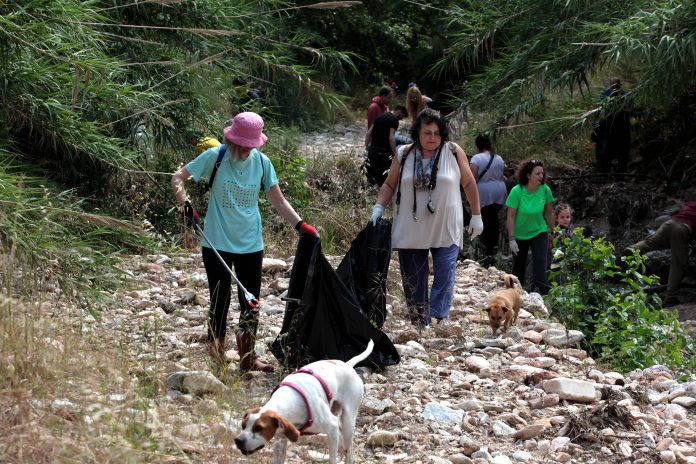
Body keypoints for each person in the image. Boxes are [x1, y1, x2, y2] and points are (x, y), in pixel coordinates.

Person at [172, 112, 318, 371]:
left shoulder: (262, 164)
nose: (246, 150)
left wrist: (300, 225)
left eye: (250, 145)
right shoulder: (214, 157)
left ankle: (248, 358)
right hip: (216, 241)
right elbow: (178, 178)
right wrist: (185, 204)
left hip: (251, 243)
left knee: (251, 302)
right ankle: (217, 357)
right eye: (242, 145)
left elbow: (278, 200)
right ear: (231, 140)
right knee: (220, 300)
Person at [369, 108, 483, 326]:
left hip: (446, 224)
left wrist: (476, 215)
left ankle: (439, 317)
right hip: (411, 226)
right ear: (417, 133)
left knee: (445, 272)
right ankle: (420, 321)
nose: (433, 138)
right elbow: (390, 184)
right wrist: (378, 207)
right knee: (413, 277)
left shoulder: (453, 151)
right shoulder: (404, 153)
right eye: (427, 133)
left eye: (437, 133)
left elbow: (468, 183)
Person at [626, 201, 696, 306]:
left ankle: (624, 255)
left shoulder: (692, 204)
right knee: (678, 263)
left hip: (669, 223)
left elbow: (677, 210)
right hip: (681, 230)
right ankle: (670, 297)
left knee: (649, 243)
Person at [506, 159, 555, 294]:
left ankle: (540, 295)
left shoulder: (545, 190)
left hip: (539, 231)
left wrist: (555, 232)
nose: (541, 176)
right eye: (537, 174)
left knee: (540, 262)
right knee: (519, 266)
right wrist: (511, 238)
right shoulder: (517, 191)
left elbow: (549, 212)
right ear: (528, 175)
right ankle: (514, 294)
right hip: (520, 234)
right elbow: (510, 216)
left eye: (542, 173)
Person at [469, 134, 507, 262]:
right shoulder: (499, 158)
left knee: (485, 218)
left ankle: (487, 249)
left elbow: (471, 178)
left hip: (484, 192)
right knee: (494, 219)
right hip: (500, 190)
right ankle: (495, 246)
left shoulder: (476, 159)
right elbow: (502, 175)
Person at [592, 78, 632, 172]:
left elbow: (629, 109)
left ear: (620, 86)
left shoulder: (625, 94)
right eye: (613, 86)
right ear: (610, 85)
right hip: (606, 126)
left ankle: (621, 172)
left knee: (623, 151)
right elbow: (597, 110)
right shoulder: (605, 94)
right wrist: (595, 125)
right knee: (604, 150)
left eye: (616, 86)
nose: (614, 88)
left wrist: (620, 109)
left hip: (621, 127)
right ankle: (603, 172)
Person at [364, 105, 408, 186]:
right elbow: (391, 137)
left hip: (372, 151)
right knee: (382, 180)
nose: (402, 118)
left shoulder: (380, 116)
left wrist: (366, 148)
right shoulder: (394, 120)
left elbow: (368, 133)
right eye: (403, 116)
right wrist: (395, 154)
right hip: (384, 153)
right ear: (399, 112)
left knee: (371, 179)